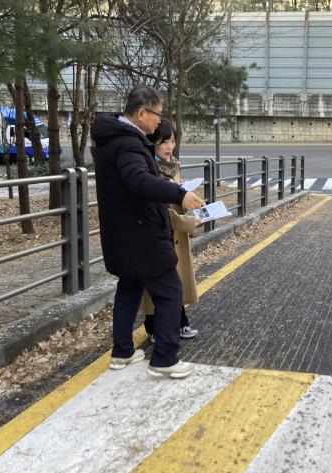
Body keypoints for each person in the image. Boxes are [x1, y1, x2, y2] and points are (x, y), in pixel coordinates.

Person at [91, 85, 205, 379]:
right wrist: (179, 194)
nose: (159, 121)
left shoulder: (111, 140)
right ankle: (165, 358)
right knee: (170, 291)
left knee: (129, 287)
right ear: (141, 113)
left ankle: (122, 352)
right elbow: (139, 182)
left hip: (121, 232)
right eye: (157, 114)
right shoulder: (129, 144)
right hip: (141, 233)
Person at [140, 121, 200, 341]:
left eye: (172, 141)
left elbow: (176, 199)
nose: (169, 146)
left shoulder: (173, 165)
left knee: (177, 281)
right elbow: (158, 209)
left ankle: (181, 322)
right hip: (159, 232)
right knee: (160, 283)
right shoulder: (148, 170)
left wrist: (191, 204)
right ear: (153, 143)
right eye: (164, 142)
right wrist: (186, 222)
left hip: (176, 234)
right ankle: (153, 326)